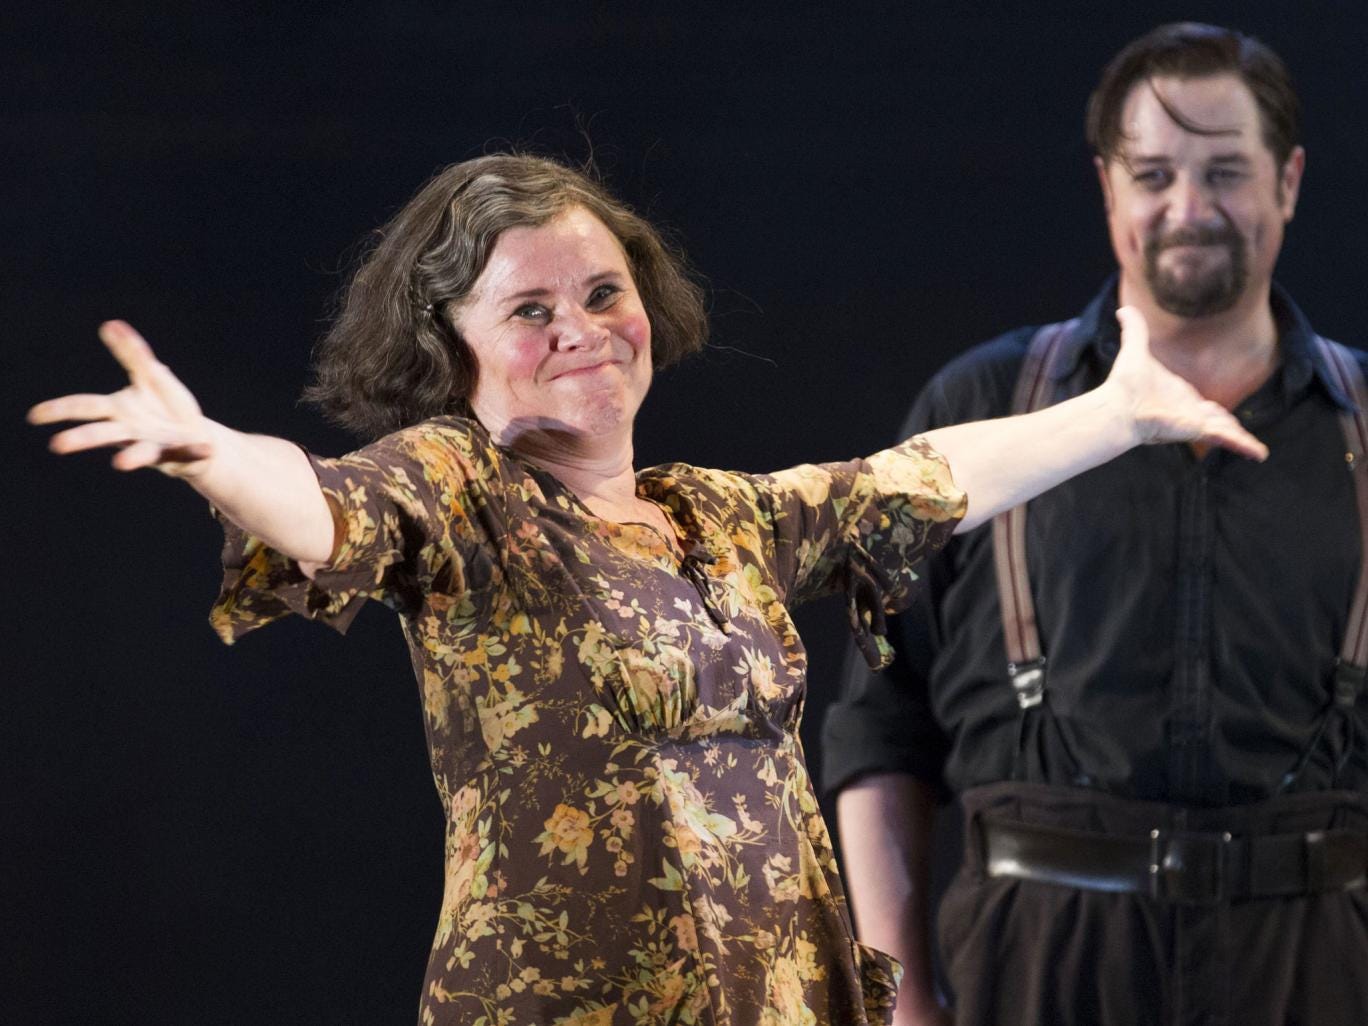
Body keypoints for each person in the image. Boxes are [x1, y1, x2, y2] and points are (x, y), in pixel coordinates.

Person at [29, 153, 1260, 1026]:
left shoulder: (714, 516)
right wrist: (212, 456)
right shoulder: (464, 491)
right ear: (448, 348)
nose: (581, 326)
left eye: (603, 291)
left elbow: (913, 481)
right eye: (529, 309)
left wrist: (1117, 413)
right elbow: (324, 505)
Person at [823, 22, 1368, 1026]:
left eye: (1225, 172)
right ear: (1107, 186)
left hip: (1318, 967)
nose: (1190, 209)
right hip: (1037, 968)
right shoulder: (983, 408)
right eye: (1154, 173)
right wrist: (898, 1002)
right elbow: (880, 724)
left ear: (1288, 182)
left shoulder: (1364, 428)